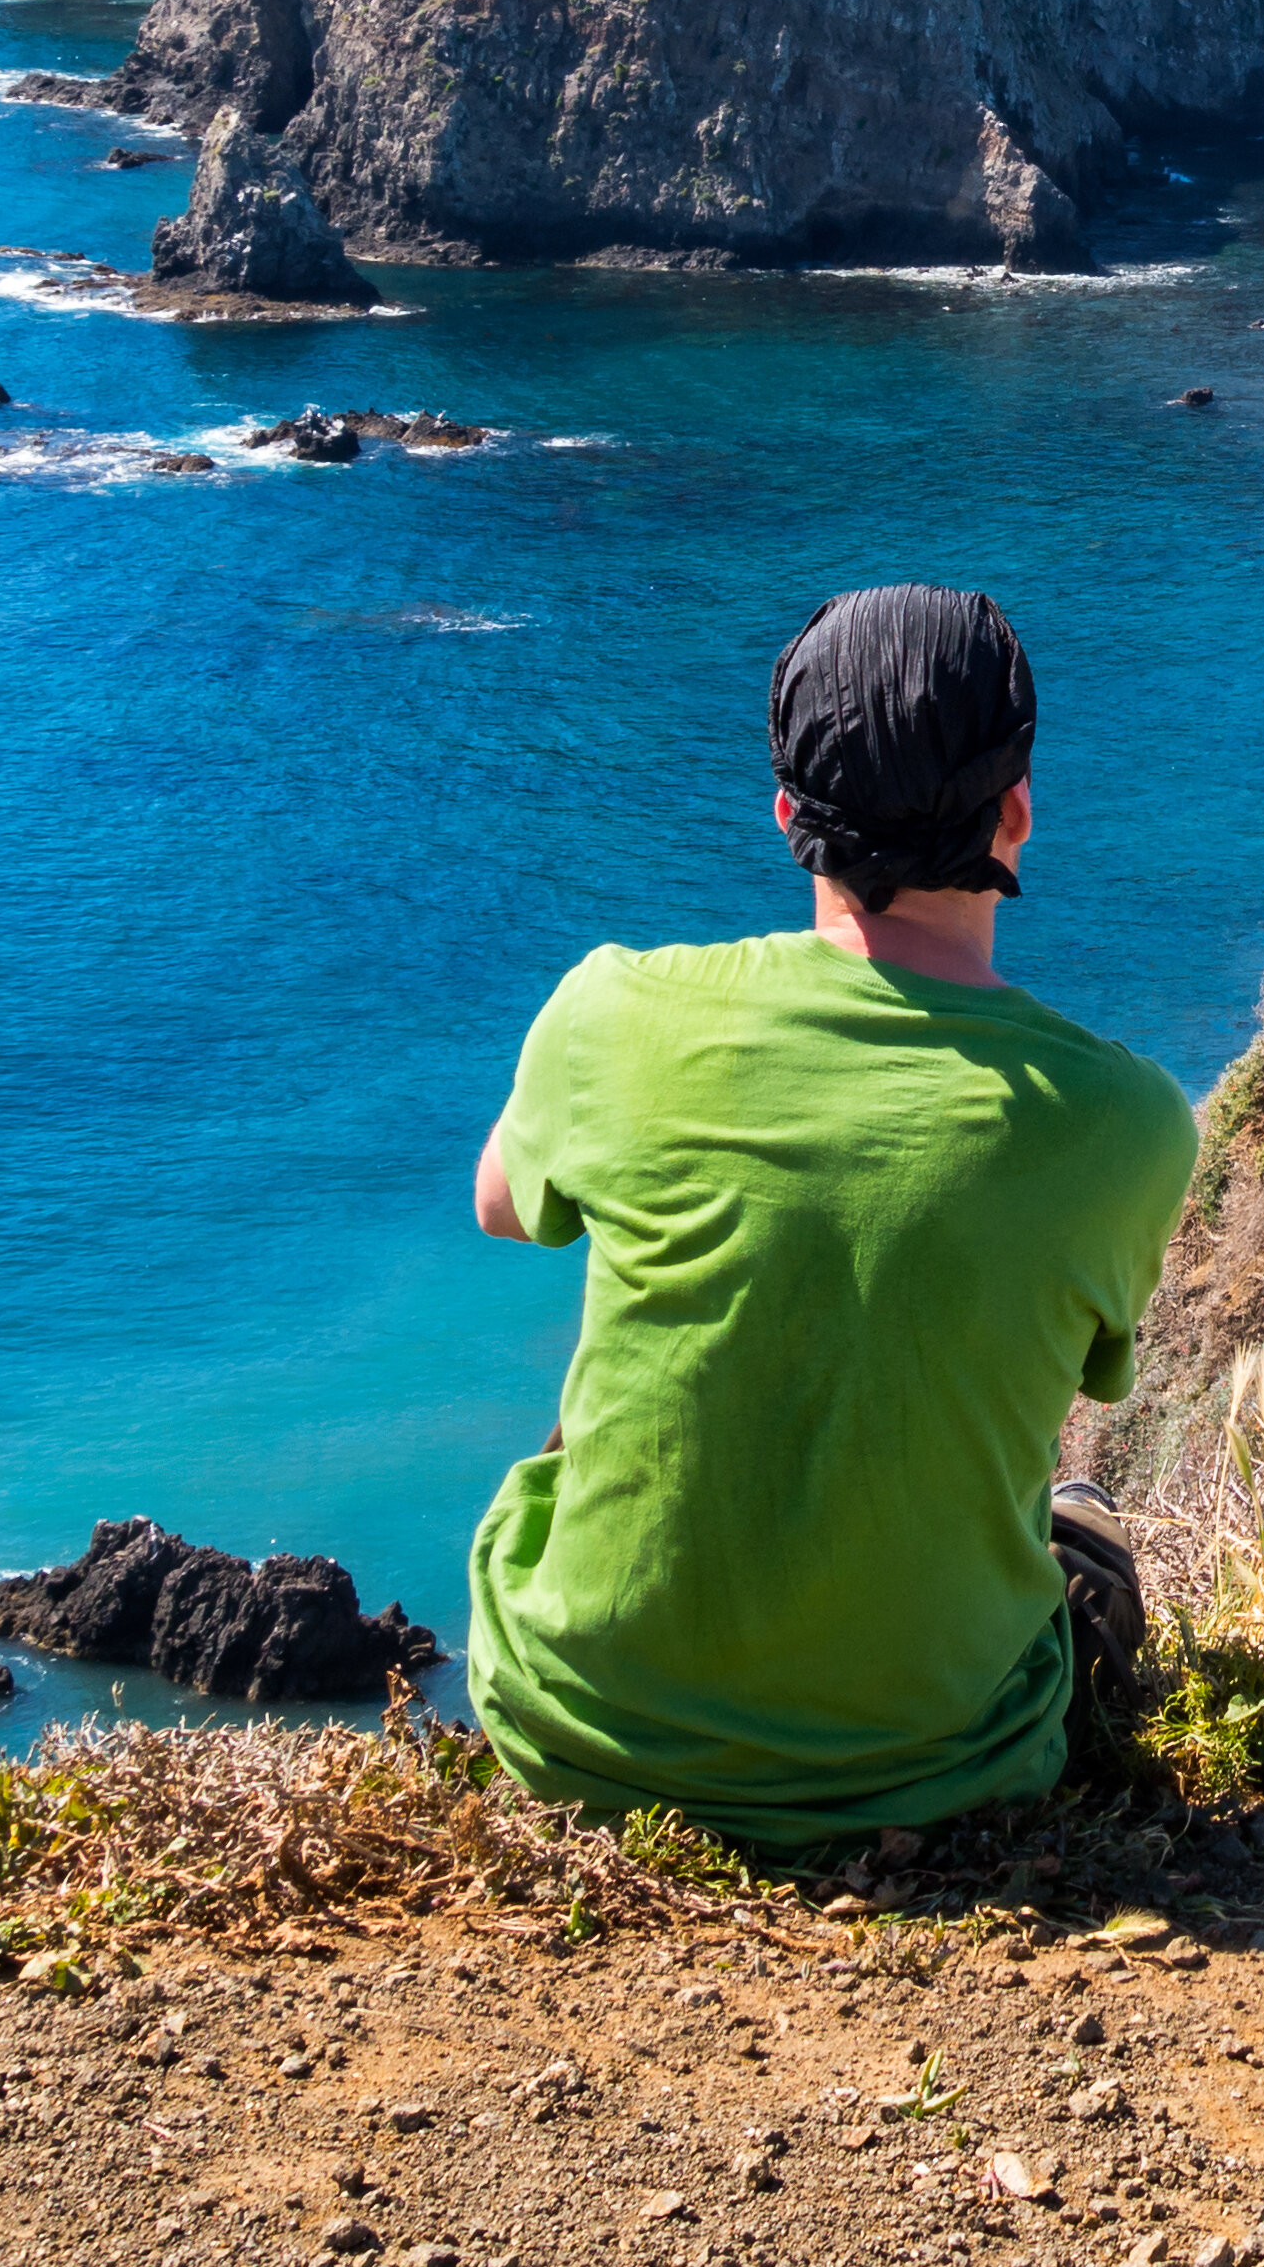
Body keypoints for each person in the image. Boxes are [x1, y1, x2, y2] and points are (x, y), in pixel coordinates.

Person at [464, 585, 1194, 1844]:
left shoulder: (611, 1010)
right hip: (944, 1768)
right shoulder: (1127, 1121)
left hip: (575, 1741)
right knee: (1083, 1532)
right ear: (1016, 811)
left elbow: (503, 1209)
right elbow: (1084, 1365)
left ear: (789, 815)